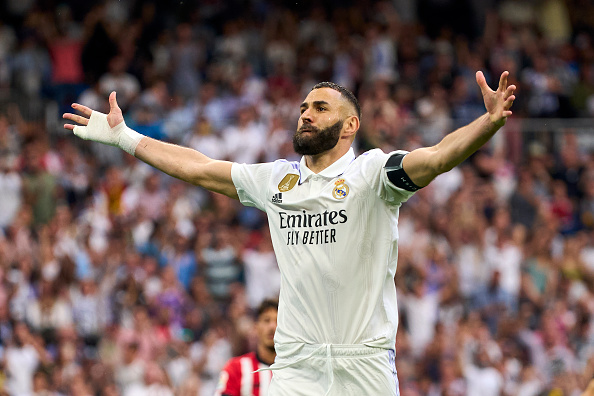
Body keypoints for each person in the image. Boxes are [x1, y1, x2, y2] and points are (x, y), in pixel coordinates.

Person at [63, 70, 516, 396]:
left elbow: (435, 157)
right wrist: (125, 137)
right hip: (297, 367)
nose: (306, 115)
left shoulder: (373, 173)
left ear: (350, 125)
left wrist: (487, 124)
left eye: (320, 108)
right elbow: (199, 167)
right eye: (303, 108)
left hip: (366, 366)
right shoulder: (277, 180)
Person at [215, 298, 278, 396]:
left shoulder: (294, 370)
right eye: (266, 320)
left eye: (278, 321)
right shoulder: (234, 368)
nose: (272, 326)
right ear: (256, 327)